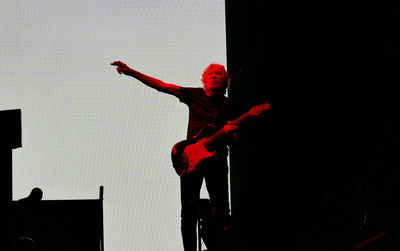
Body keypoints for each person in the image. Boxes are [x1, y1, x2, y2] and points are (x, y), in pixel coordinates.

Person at [111, 61, 237, 250]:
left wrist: (230, 133)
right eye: (210, 74)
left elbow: (235, 141)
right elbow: (162, 86)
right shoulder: (194, 95)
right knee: (187, 211)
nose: (213, 77)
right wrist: (132, 72)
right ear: (204, 80)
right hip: (191, 157)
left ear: (225, 82)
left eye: (218, 75)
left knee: (221, 211)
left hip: (216, 160)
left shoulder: (229, 105)